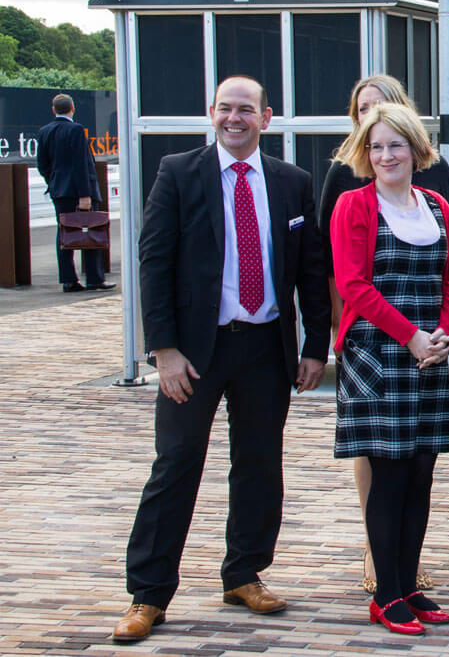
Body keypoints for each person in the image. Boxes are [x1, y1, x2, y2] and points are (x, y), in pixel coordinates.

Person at [113, 76, 330, 643]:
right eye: (226, 108)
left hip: (264, 346)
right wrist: (163, 352)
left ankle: (244, 573)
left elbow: (310, 270)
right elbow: (153, 263)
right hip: (193, 352)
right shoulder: (178, 173)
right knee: (176, 464)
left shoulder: (292, 182)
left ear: (267, 116)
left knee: (259, 465)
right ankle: (148, 594)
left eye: (247, 110)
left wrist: (314, 348)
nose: (235, 118)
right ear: (212, 112)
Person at [316, 73, 449, 595]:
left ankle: (410, 586)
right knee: (389, 477)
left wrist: (444, 333)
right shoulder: (353, 205)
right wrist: (412, 337)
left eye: (395, 145)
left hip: (429, 356)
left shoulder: (437, 206)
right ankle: (387, 592)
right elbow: (352, 285)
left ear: (415, 148)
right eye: (375, 147)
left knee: (422, 475)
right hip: (379, 355)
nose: (385, 155)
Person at [36, 93, 114, 293]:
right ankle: (94, 278)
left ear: (54, 110)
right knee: (90, 230)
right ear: (73, 108)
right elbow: (81, 163)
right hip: (79, 191)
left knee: (64, 234)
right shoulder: (76, 130)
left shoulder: (44, 131)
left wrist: (53, 181)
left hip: (59, 191)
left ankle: (69, 280)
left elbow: (42, 164)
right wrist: (85, 194)